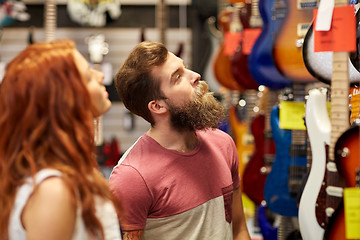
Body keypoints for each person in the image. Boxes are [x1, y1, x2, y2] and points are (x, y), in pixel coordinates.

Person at [109, 41, 251, 240]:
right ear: (157, 106)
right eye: (178, 77)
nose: (195, 75)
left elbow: (239, 230)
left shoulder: (223, 144)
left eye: (185, 67)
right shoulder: (132, 177)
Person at [0, 40, 122, 240]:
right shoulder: (53, 190)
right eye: (88, 76)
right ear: (63, 100)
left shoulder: (65, 178)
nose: (100, 76)